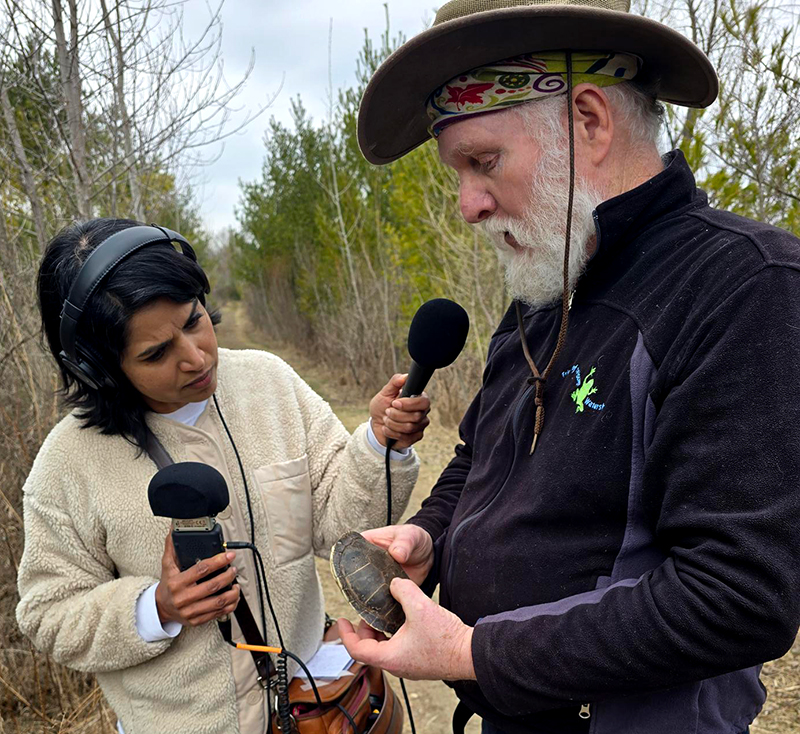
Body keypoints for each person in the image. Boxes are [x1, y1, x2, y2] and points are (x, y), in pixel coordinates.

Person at [338, 1, 800, 733]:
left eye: (482, 162)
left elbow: (739, 594)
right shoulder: (545, 285)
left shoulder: (743, 285)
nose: (466, 205)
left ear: (588, 119)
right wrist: (430, 535)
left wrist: (475, 651)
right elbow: (479, 458)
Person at [15, 218, 431, 734]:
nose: (195, 358)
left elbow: (339, 524)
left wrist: (377, 444)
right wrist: (157, 606)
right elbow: (47, 613)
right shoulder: (67, 463)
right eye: (155, 354)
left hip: (308, 711)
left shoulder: (270, 383)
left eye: (193, 322)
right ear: (98, 369)